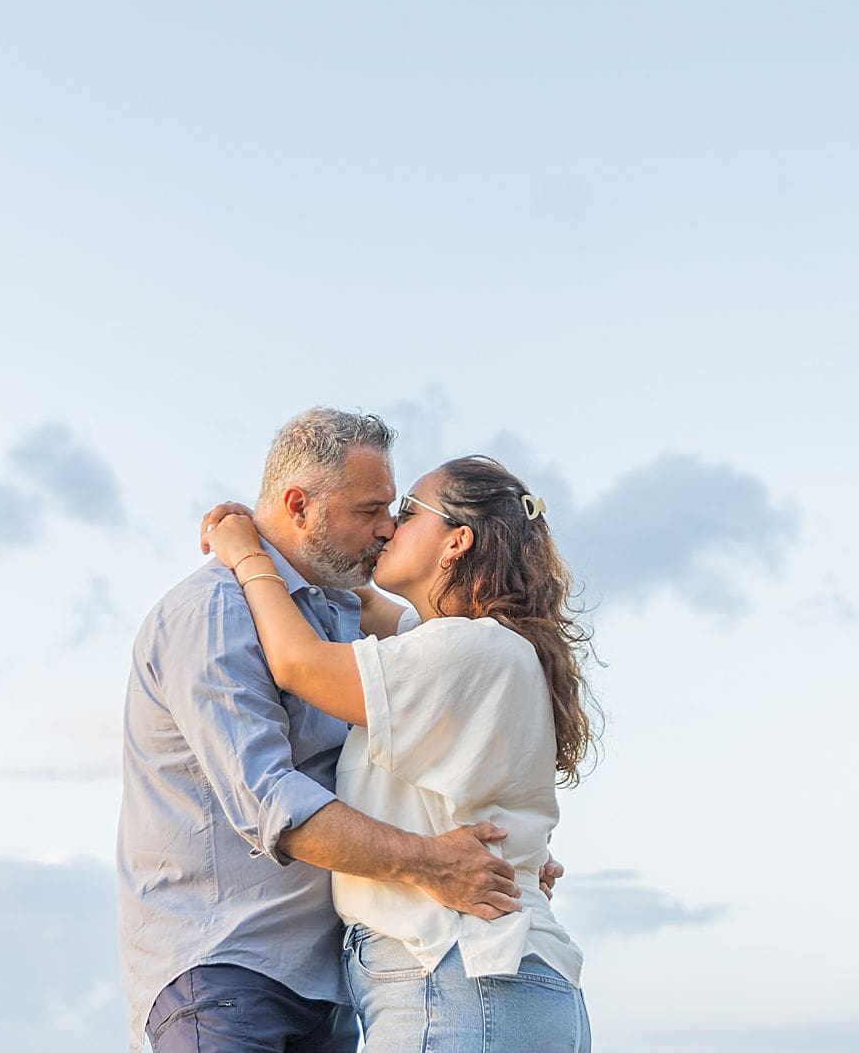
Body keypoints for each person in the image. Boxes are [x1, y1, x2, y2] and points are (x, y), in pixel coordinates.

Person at [117, 409, 535, 1053]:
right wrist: (435, 864)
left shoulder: (342, 610)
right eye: (370, 511)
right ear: (299, 506)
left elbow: (435, 745)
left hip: (331, 988)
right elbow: (270, 800)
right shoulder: (215, 612)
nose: (386, 528)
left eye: (393, 511)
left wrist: (511, 852)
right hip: (226, 970)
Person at [206, 451, 596, 1052]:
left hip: (455, 977)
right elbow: (361, 602)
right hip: (498, 980)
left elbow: (299, 663)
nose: (387, 527)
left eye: (408, 512)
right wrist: (281, 538)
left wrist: (247, 556)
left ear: (457, 541)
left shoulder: (464, 651)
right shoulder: (484, 651)